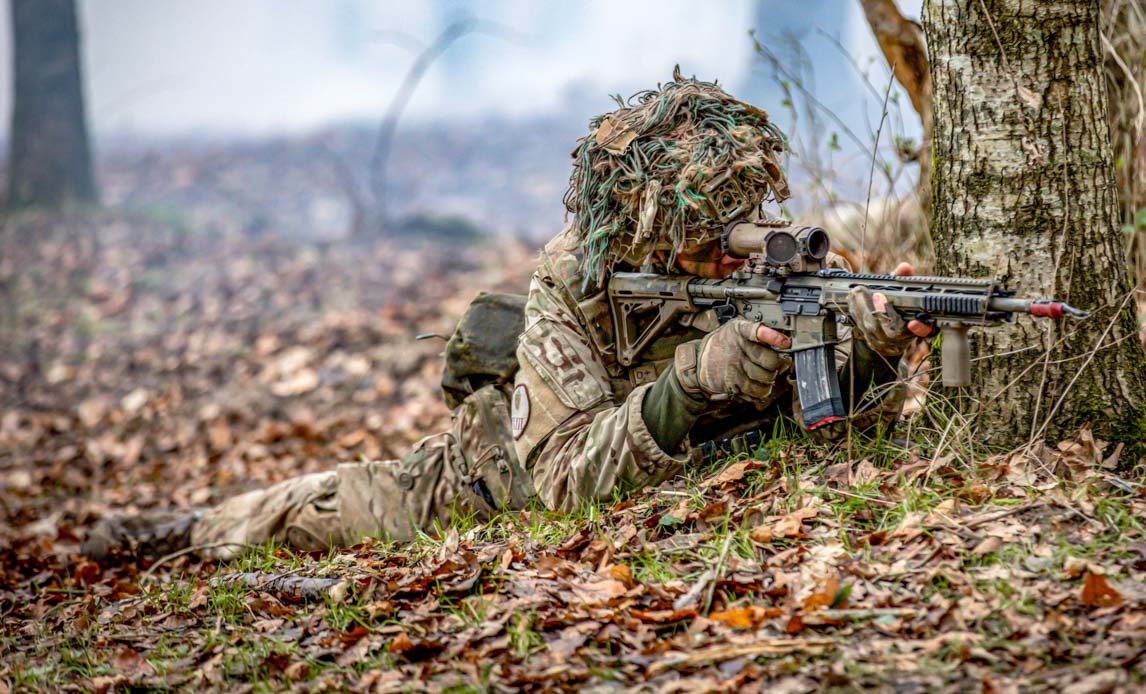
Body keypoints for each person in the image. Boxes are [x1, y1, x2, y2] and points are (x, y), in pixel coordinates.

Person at [83, 70, 929, 562]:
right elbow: (560, 483)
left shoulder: (771, 265)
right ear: (649, 229)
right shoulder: (576, 281)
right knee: (313, 511)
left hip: (662, 471)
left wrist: (876, 349)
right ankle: (175, 531)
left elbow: (830, 423)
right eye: (706, 238)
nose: (732, 254)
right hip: (490, 478)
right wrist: (693, 383)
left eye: (742, 224)